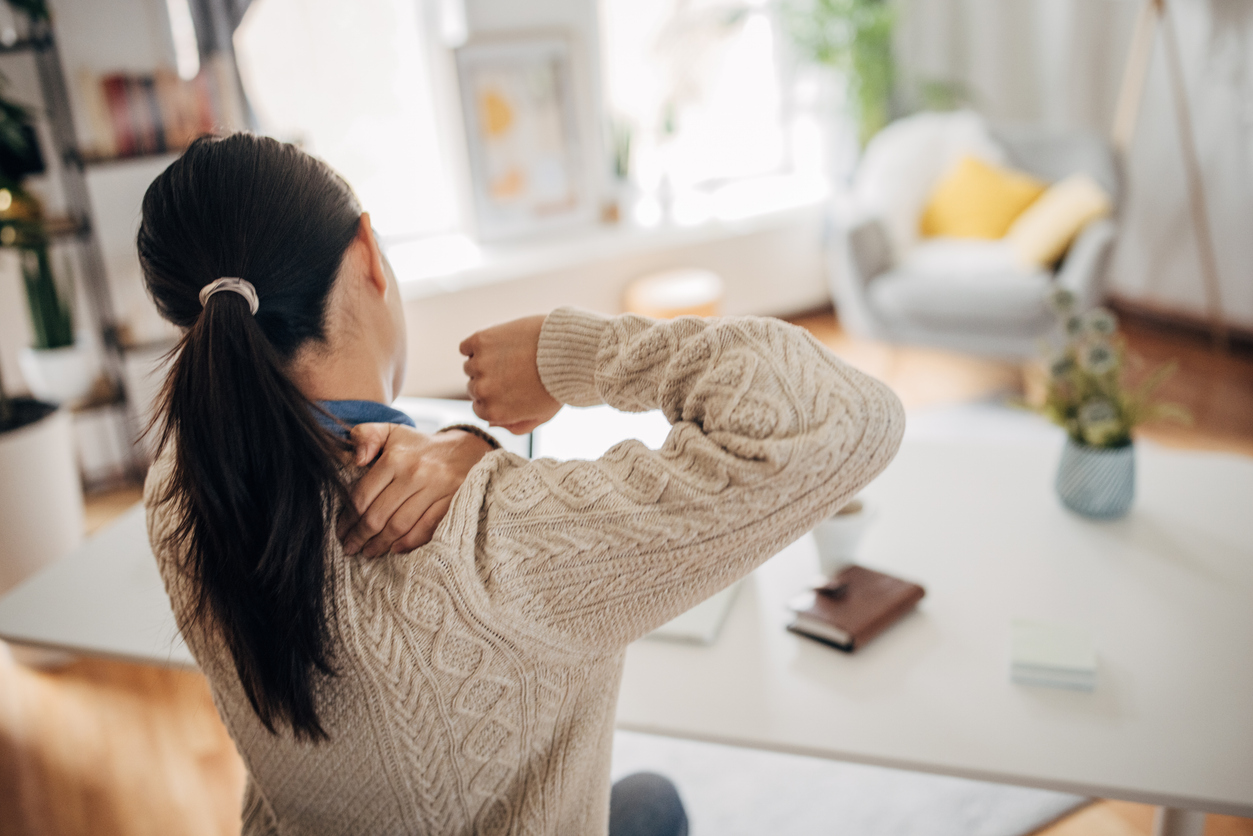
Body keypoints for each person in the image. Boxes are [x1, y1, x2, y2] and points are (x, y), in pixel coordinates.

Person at [140, 133, 905, 835]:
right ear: (368, 255)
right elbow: (844, 417)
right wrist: (572, 353)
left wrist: (469, 445)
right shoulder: (496, 547)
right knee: (656, 802)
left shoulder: (182, 492)